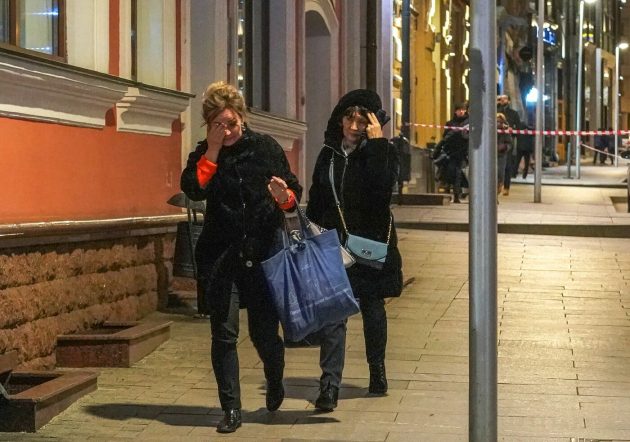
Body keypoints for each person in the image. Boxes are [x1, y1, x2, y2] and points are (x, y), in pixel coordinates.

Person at [180, 81, 302, 433]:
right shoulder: (205, 154)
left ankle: (274, 377)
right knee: (224, 334)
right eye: (218, 125)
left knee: (264, 334)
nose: (227, 131)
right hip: (221, 256)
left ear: (242, 119)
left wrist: (284, 197)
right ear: (208, 125)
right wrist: (213, 150)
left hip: (263, 255)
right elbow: (194, 188)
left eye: (231, 123)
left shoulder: (265, 148)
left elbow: (292, 194)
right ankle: (231, 408)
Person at [306, 89, 404, 408]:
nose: (353, 126)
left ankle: (377, 370)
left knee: (373, 308)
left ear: (373, 124)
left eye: (363, 121)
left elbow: (382, 192)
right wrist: (311, 236)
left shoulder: (383, 152)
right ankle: (329, 386)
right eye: (349, 118)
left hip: (370, 244)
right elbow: (318, 198)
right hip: (335, 246)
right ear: (340, 119)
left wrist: (376, 145)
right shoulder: (329, 155)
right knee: (335, 315)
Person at [432, 102, 469, 203]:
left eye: (463, 110)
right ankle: (454, 192)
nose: (461, 112)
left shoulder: (468, 122)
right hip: (451, 152)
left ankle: (457, 194)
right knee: (452, 173)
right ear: (455, 111)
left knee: (458, 173)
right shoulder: (450, 123)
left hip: (463, 152)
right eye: (459, 110)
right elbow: (445, 137)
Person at [497, 95, 521, 196]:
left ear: (509, 101)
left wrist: (512, 130)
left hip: (507, 141)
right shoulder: (494, 111)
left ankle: (506, 187)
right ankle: (497, 185)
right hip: (496, 141)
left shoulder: (513, 113)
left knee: (507, 165)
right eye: (500, 99)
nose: (502, 100)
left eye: (505, 98)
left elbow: (518, 128)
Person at [497, 113, 513, 198]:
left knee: (500, 174)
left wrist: (504, 147)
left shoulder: (505, 131)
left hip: (501, 155)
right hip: (490, 156)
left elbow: (510, 143)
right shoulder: (489, 128)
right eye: (497, 121)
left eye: (500, 122)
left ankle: (498, 190)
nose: (498, 123)